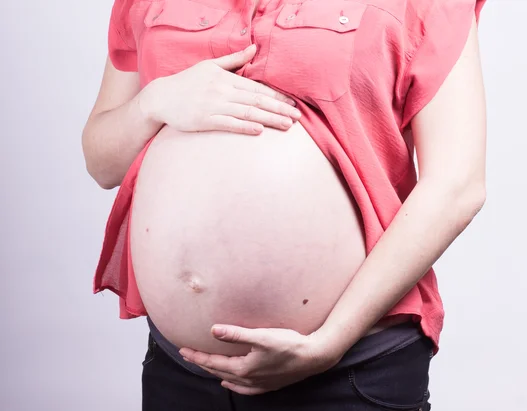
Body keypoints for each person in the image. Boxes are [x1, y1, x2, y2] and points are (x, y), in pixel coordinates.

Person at [82, 0, 487, 409]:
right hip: (181, 372)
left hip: (347, 370)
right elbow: (102, 163)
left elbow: (457, 185)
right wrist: (153, 103)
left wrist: (330, 342)